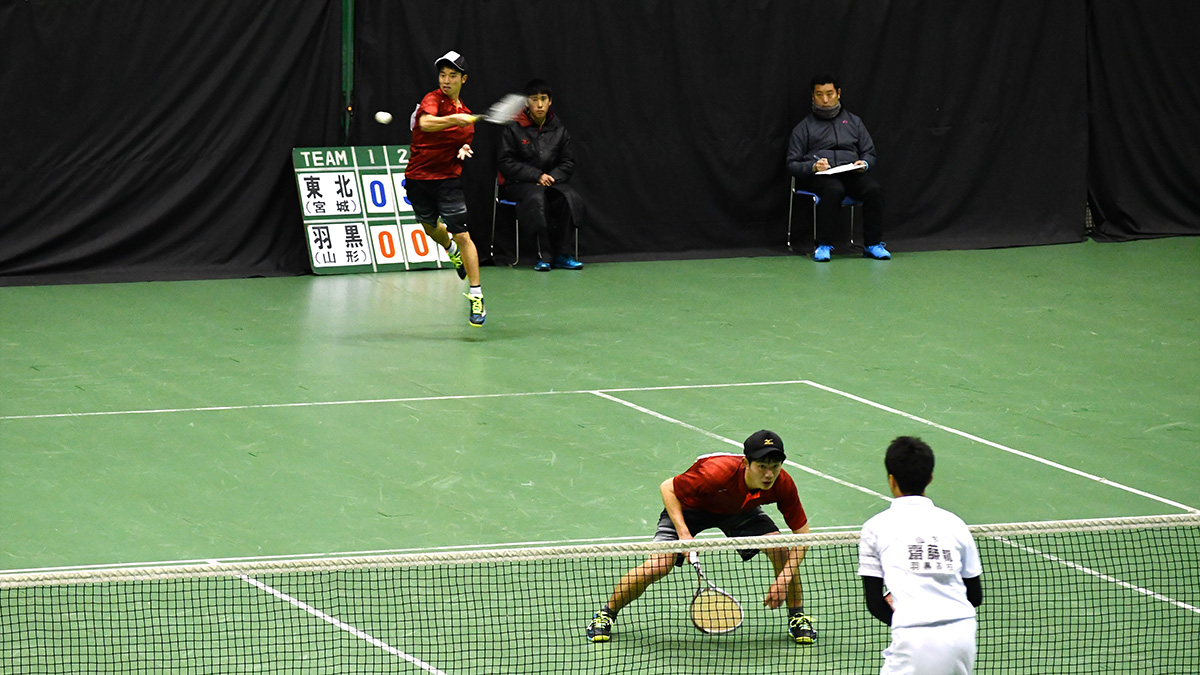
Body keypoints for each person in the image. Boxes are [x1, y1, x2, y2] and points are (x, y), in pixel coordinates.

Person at [586, 430, 817, 644]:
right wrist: (685, 536)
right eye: (762, 466)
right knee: (658, 566)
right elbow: (668, 488)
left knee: (780, 550)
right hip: (689, 509)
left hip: (740, 510)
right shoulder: (715, 473)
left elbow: (802, 535)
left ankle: (797, 616)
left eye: (775, 466)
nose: (769, 474)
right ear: (746, 463)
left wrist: (783, 579)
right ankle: (606, 614)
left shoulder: (782, 483)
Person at [858, 436, 983, 675]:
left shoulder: (874, 528)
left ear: (891, 480)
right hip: (963, 634)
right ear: (930, 478)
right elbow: (974, 595)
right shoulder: (956, 524)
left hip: (914, 636)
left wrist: (907, 613)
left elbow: (875, 603)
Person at [406, 50, 486, 326]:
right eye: (442, 75)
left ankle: (477, 296)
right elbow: (426, 124)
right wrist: (454, 120)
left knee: (463, 234)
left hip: (447, 180)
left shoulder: (466, 117)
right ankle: (450, 251)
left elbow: (460, 143)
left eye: (453, 76)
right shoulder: (433, 100)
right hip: (418, 177)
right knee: (429, 226)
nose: (446, 81)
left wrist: (463, 148)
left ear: (464, 79)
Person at [786, 74, 891, 262]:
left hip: (850, 173)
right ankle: (823, 245)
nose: (825, 100)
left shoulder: (854, 122)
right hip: (820, 177)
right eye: (819, 95)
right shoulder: (803, 128)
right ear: (813, 96)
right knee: (834, 190)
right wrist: (813, 166)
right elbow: (792, 163)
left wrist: (864, 163)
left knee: (873, 190)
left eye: (829, 94)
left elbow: (869, 152)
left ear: (838, 93)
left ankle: (873, 244)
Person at [497, 79, 586, 271]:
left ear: (550, 102)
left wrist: (551, 177)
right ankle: (544, 255)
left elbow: (568, 162)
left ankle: (564, 254)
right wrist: (536, 176)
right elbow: (506, 163)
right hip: (518, 184)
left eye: (543, 99)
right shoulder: (513, 128)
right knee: (537, 198)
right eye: (534, 99)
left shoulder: (559, 129)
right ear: (526, 102)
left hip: (551, 182)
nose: (539, 104)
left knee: (568, 197)